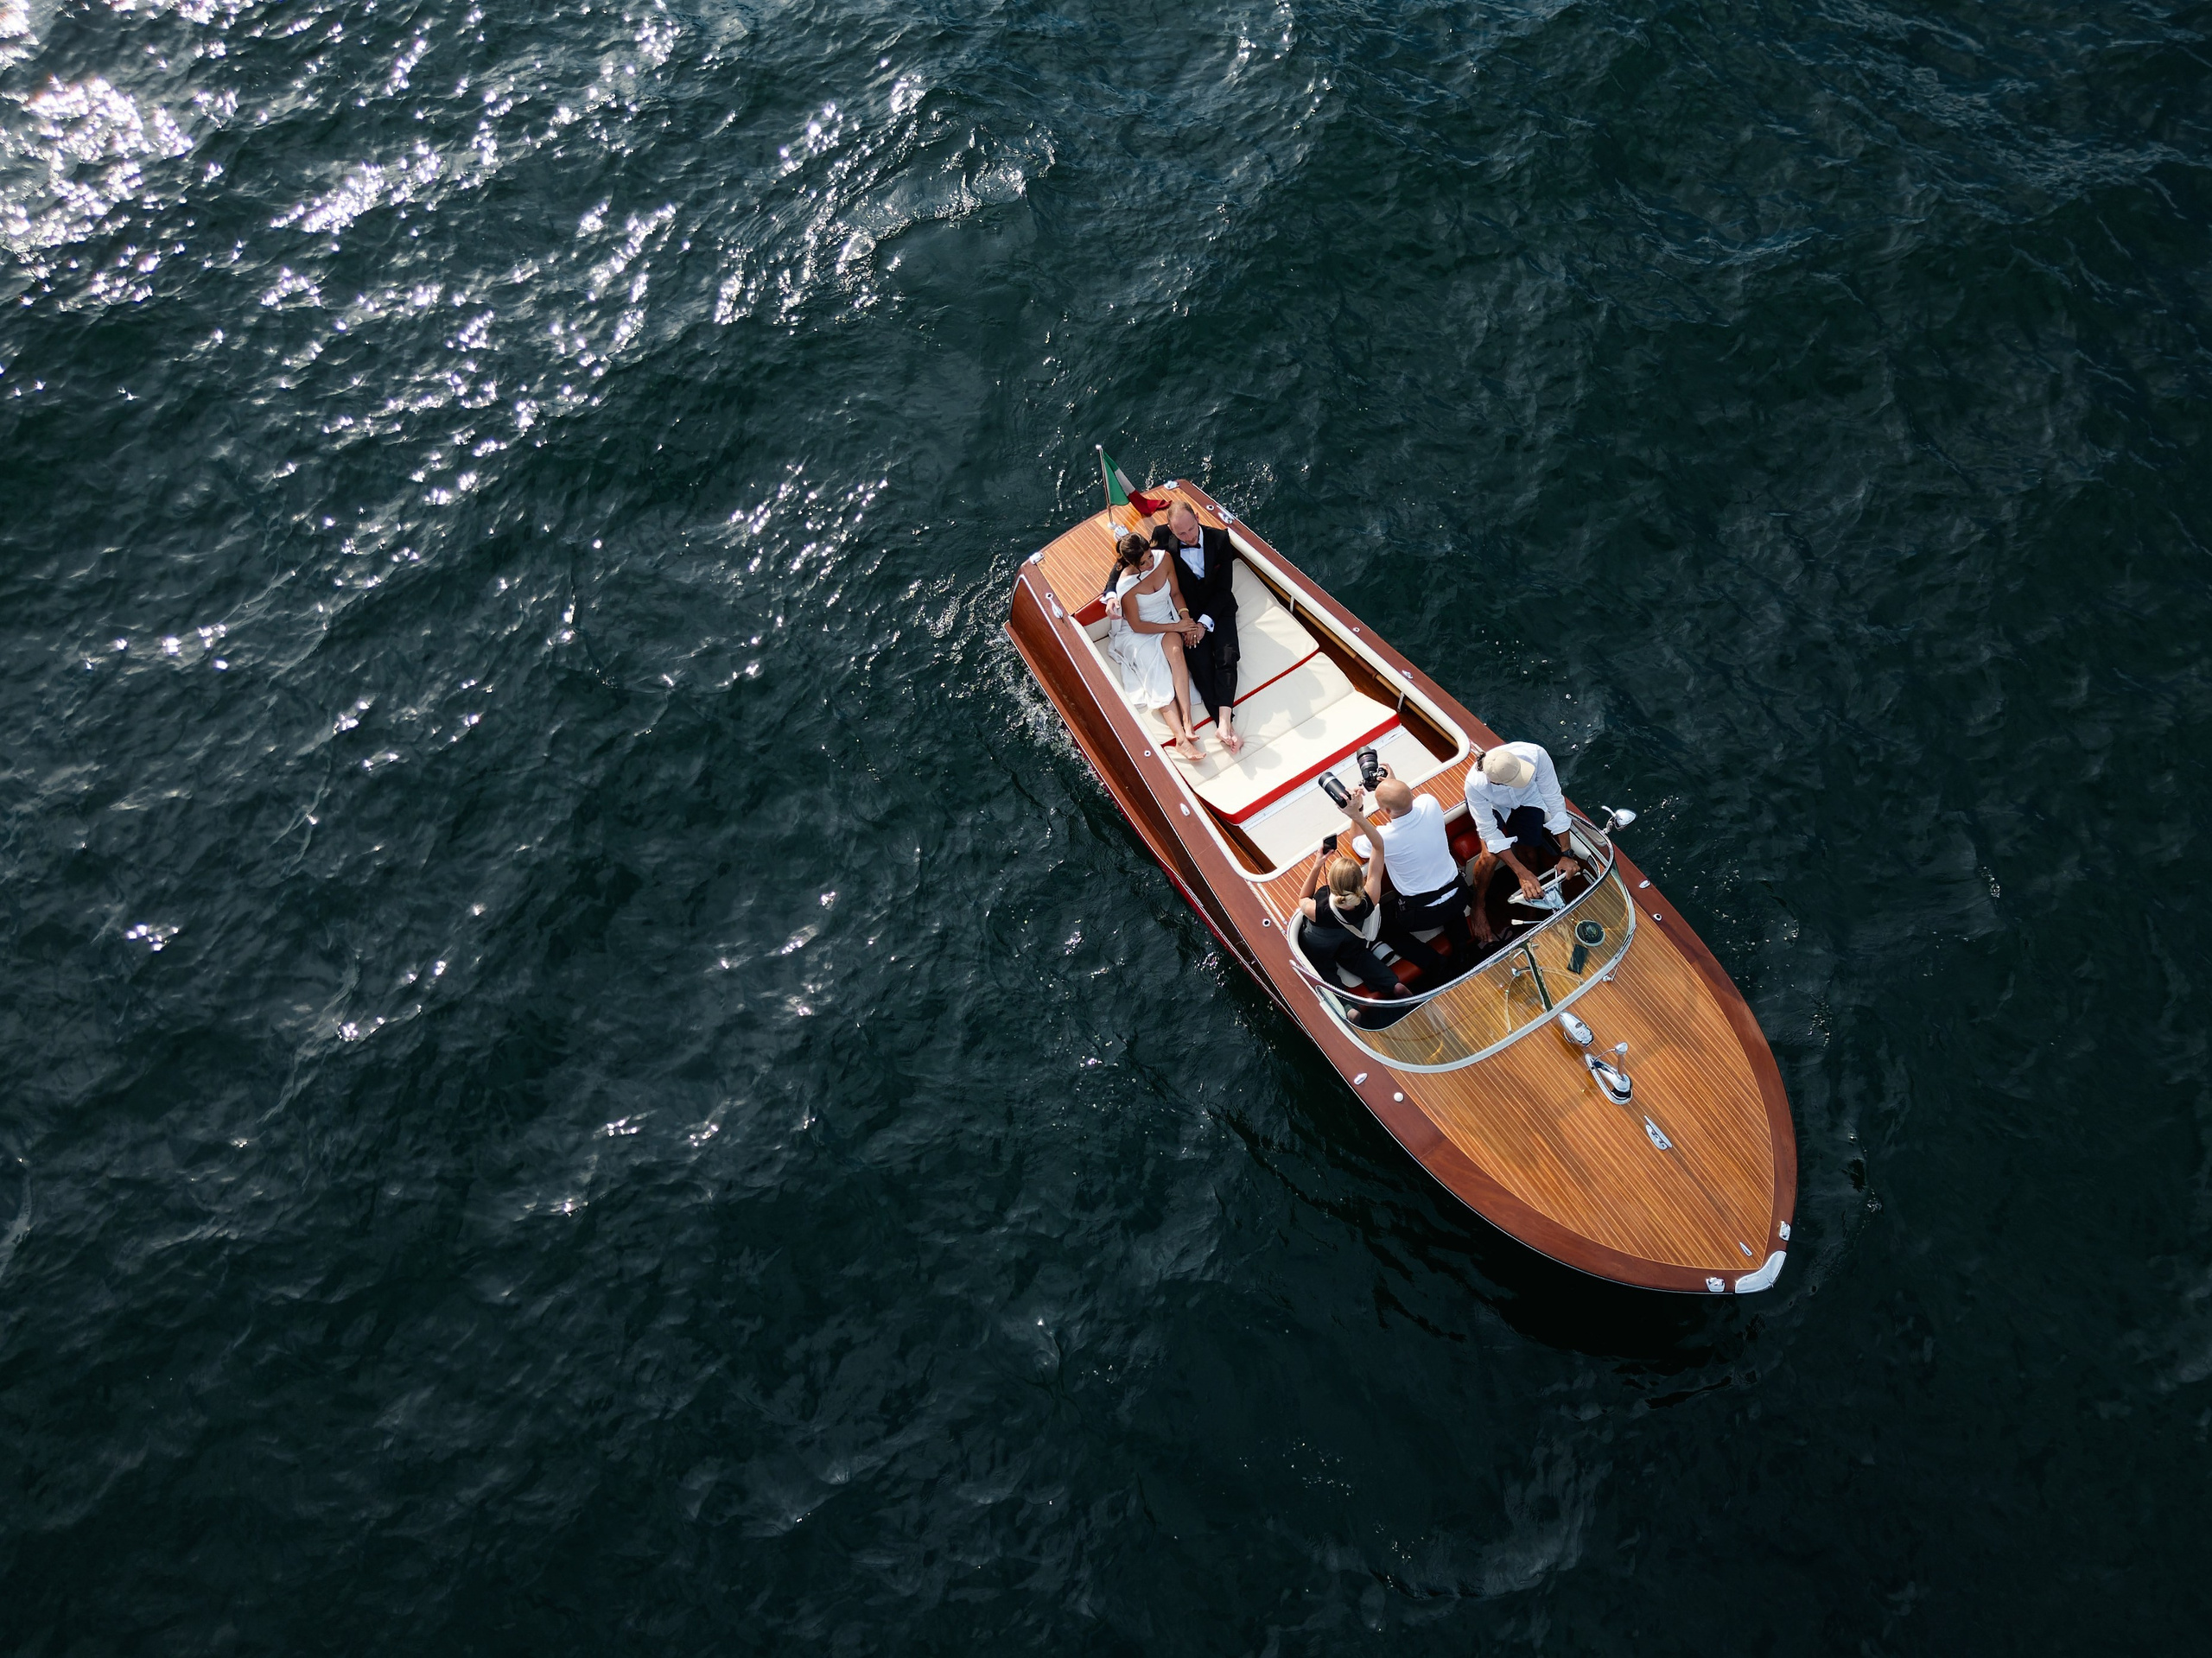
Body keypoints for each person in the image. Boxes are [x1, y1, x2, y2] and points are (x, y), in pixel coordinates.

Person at [1351, 768, 1477, 966]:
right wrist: (1394, 783)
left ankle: (1436, 965)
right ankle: (1463, 949)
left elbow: (1357, 844)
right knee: (1449, 902)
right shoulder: (1430, 803)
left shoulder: (1384, 837)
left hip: (1423, 916)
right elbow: (1411, 801)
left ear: (1387, 812)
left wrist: (1356, 813)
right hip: (1461, 896)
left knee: (1382, 924)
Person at [1298, 786, 1413, 1000]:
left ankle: (1349, 1008)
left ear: (1331, 885)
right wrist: (1357, 815)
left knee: (1323, 967)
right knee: (1357, 956)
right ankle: (1393, 985)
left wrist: (1317, 866)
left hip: (1322, 944)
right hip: (1352, 939)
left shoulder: (1318, 910)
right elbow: (1378, 847)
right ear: (1361, 883)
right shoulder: (1370, 897)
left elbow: (1302, 899)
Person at [1103, 533, 1207, 762]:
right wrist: (1177, 626)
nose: (1150, 564)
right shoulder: (1127, 585)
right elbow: (1137, 625)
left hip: (1167, 618)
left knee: (1176, 652)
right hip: (1139, 633)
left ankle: (1188, 721)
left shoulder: (1164, 559)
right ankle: (1180, 738)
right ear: (1131, 564)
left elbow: (1176, 594)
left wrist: (1186, 620)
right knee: (1158, 667)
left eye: (1149, 556)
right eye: (1143, 563)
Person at [1462, 741, 1579, 943]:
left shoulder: (1536, 755)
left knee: (1529, 854)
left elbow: (1553, 799)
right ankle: (1479, 905)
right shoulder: (1475, 785)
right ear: (1496, 782)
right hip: (1494, 805)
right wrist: (1520, 873)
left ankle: (1531, 915)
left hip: (1528, 799)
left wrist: (1566, 854)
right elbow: (1490, 833)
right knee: (1489, 857)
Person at [1152, 502, 1243, 754]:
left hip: (1218, 608)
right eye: (1181, 534)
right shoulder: (1160, 537)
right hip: (1187, 616)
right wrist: (1111, 594)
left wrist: (1204, 623)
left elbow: (1225, 589)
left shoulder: (1220, 539)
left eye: (1192, 529)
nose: (1190, 537)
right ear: (1171, 530)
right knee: (1200, 665)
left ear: (1198, 518)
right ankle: (1223, 725)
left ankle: (1224, 721)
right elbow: (1129, 562)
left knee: (1227, 655)